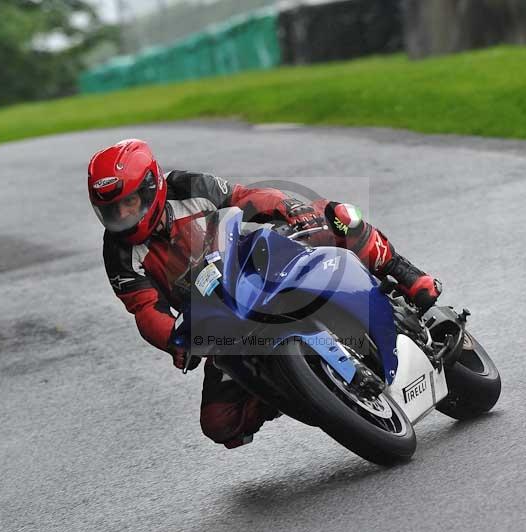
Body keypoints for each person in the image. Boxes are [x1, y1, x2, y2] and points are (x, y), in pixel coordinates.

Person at [88, 139, 441, 449]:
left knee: (336, 216)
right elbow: (144, 309)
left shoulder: (189, 186)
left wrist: (289, 207)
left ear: (152, 187)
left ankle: (404, 274)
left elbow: (245, 197)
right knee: (219, 423)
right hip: (217, 323)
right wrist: (176, 340)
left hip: (253, 266)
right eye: (112, 211)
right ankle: (297, 389)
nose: (122, 216)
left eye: (128, 203)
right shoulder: (117, 253)